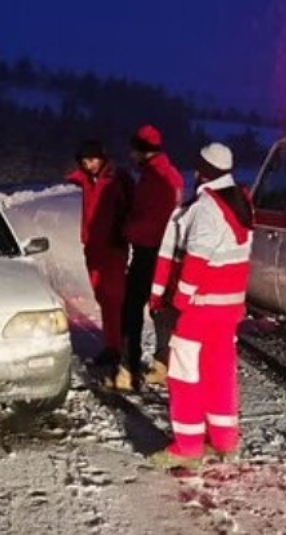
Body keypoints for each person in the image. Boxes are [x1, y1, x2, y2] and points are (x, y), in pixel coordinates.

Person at [148, 142, 253, 468]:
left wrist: (177, 303)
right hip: (227, 309)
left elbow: (196, 261)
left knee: (184, 374)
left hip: (199, 309)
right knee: (219, 373)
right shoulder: (242, 201)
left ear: (202, 171)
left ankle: (188, 445)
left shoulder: (207, 207)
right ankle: (223, 440)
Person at [108, 124, 183, 391]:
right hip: (169, 253)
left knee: (131, 310)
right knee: (161, 309)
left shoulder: (153, 179)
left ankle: (128, 370)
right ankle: (163, 363)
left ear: (141, 150)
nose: (130, 156)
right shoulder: (172, 174)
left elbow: (148, 223)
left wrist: (124, 229)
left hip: (149, 251)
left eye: (133, 151)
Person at [65, 139, 132, 368]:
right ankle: (112, 345)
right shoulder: (88, 180)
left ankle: (118, 348)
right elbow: (69, 175)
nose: (88, 165)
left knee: (114, 299)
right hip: (93, 247)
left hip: (112, 248)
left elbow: (131, 208)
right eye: (84, 161)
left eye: (92, 160)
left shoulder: (116, 180)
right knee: (103, 298)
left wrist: (122, 235)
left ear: (103, 158)